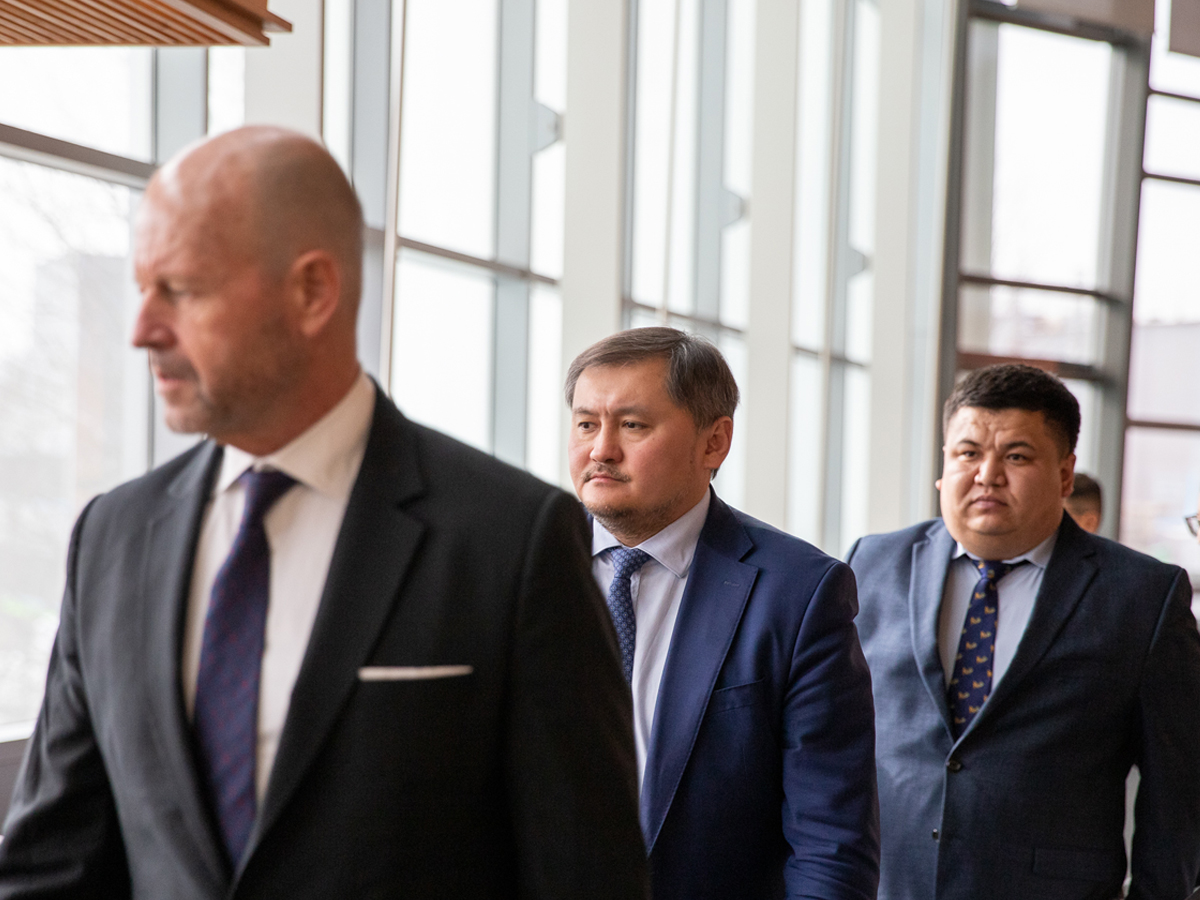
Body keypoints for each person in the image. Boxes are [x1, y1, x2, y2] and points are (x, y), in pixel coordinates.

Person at [0, 126, 647, 900]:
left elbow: (585, 876)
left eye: (183, 289)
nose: (143, 328)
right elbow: (52, 865)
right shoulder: (111, 537)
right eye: (143, 288)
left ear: (312, 292)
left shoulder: (512, 538)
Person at [847, 363, 1200, 900]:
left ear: (1064, 474)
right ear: (943, 466)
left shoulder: (1143, 597)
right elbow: (822, 740)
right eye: (967, 453)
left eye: (1016, 455)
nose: (987, 474)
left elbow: (1178, 790)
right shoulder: (871, 564)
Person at [565, 327, 880, 900]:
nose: (600, 450)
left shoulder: (799, 592)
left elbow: (830, 841)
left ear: (714, 443)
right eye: (587, 423)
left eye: (632, 425)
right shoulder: (517, 565)